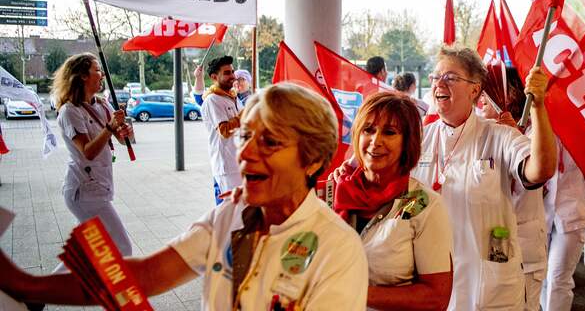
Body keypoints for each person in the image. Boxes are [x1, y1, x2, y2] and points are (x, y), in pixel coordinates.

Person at [0, 84, 369, 310]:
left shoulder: (337, 249)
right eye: (245, 136)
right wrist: (25, 285)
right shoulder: (228, 216)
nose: (245, 153)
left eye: (270, 142)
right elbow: (144, 276)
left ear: (314, 160)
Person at [415, 45, 556, 310]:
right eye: (435, 77)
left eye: (451, 77)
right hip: (433, 283)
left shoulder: (499, 135)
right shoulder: (419, 138)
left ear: (475, 89)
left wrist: (538, 107)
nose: (439, 84)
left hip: (488, 289)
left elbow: (540, 170)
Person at [334, 92, 453, 311]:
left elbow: (436, 298)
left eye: (389, 132)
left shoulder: (423, 204)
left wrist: (355, 292)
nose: (375, 141)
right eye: (368, 130)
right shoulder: (336, 192)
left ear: (408, 143)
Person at [51, 53, 133, 257]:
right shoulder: (70, 111)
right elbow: (88, 152)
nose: (102, 74)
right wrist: (110, 127)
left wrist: (125, 132)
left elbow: (120, 138)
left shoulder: (102, 104)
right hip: (84, 191)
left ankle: (60, 277)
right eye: (97, 70)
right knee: (122, 247)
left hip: (99, 185)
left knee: (89, 252)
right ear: (82, 76)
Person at [479, 68, 548, 311]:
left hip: (525, 249)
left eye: (487, 94)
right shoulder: (479, 133)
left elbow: (541, 179)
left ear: (507, 97)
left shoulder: (533, 133)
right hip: (491, 249)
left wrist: (516, 140)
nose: (481, 100)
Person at [540, 136, 585, 310]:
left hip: (572, 211)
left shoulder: (579, 129)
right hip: (539, 212)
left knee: (559, 278)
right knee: (540, 277)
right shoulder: (531, 127)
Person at [201, 56, 242, 203]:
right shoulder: (212, 100)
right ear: (214, 77)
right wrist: (244, 115)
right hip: (226, 166)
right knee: (230, 210)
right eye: (227, 73)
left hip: (239, 162)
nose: (232, 76)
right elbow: (224, 131)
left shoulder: (233, 97)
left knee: (242, 209)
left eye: (232, 71)